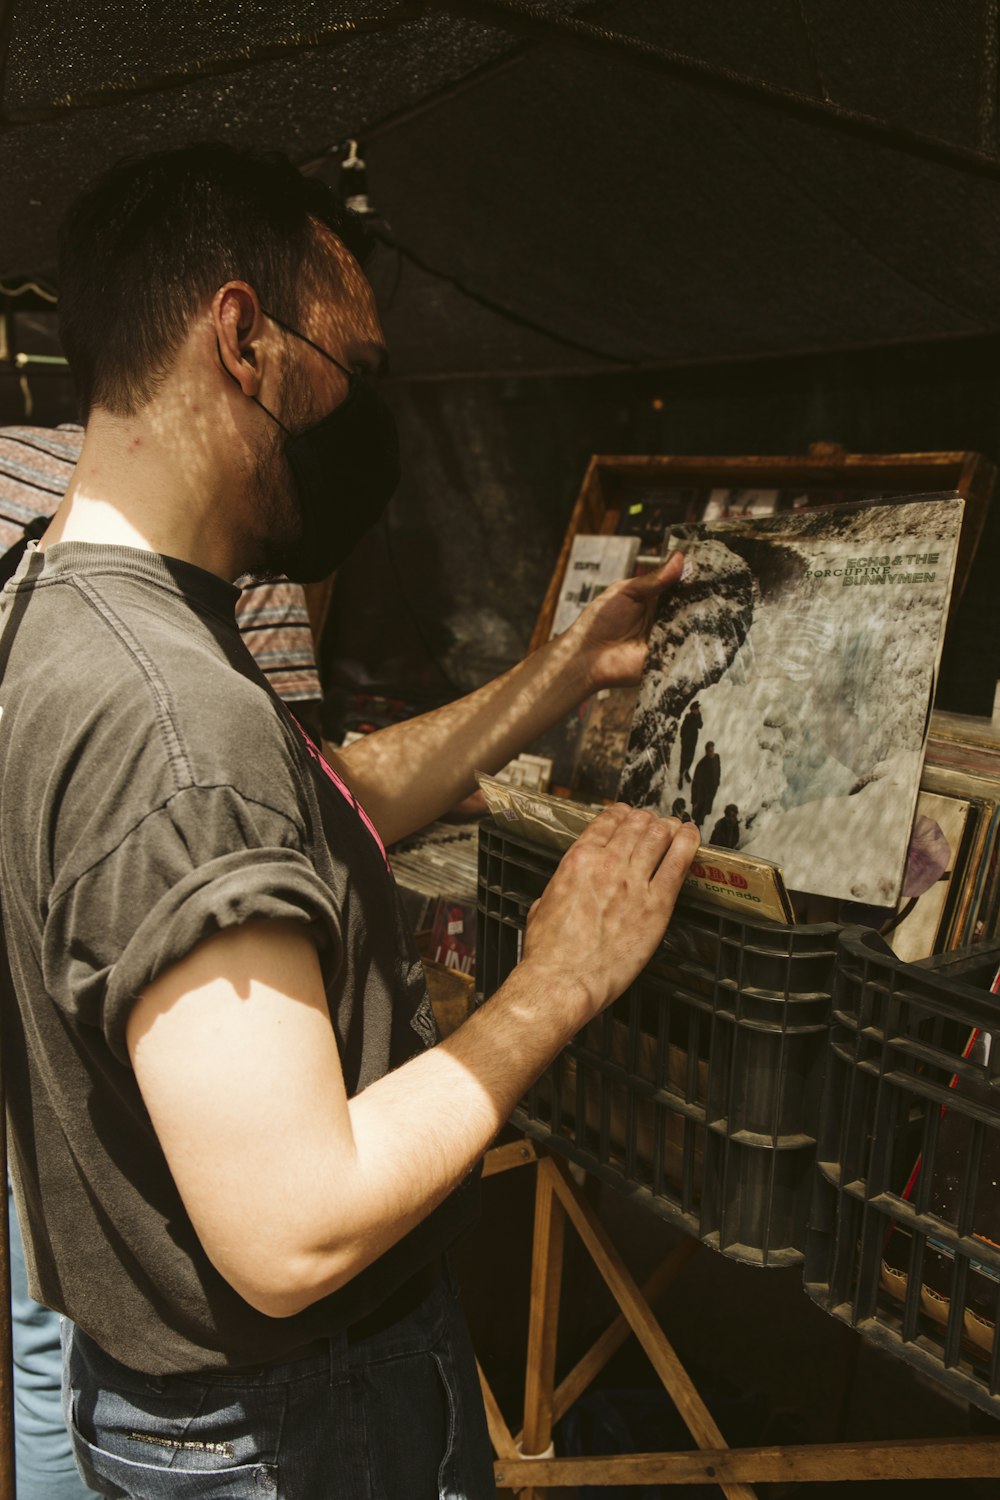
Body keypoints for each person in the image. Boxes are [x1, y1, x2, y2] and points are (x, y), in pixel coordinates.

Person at [0, 143, 700, 1500]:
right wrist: (556, 982)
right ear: (244, 339)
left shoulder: (68, 604)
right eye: (361, 372)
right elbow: (292, 1228)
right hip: (295, 1433)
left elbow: (323, 802)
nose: (372, 416)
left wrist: (561, 673)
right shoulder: (171, 722)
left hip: (187, 1403)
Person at [0, 421, 329, 1499]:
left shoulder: (42, 554)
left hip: (40, 958)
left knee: (51, 1323)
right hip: (227, 1381)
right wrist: (548, 996)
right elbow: (268, 794)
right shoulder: (189, 698)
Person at [691, 740, 722, 827]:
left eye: (712, 750)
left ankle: (701, 820)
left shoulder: (717, 758)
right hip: (703, 793)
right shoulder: (701, 765)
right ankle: (697, 825)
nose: (711, 752)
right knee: (700, 810)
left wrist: (717, 781)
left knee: (707, 808)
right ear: (706, 751)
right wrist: (694, 800)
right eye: (709, 751)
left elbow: (718, 769)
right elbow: (695, 783)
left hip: (712, 790)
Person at [677, 700, 702, 787]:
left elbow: (700, 726)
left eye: (698, 709)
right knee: (683, 760)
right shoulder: (688, 718)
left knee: (690, 759)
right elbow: (682, 731)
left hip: (693, 742)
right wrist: (684, 741)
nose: (698, 710)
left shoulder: (698, 716)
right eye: (697, 709)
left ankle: (686, 772)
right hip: (686, 743)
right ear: (693, 710)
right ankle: (680, 777)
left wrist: (699, 716)